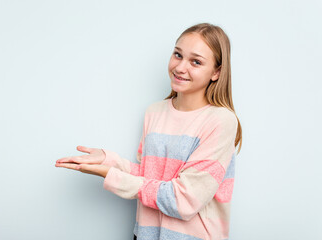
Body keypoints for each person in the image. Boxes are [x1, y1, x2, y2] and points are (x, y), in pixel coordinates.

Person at [55, 22, 243, 240]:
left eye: (196, 62)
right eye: (178, 55)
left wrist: (111, 175)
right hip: (144, 235)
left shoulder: (221, 121)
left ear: (216, 72)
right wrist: (109, 161)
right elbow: (149, 177)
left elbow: (183, 201)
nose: (180, 67)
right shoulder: (154, 112)